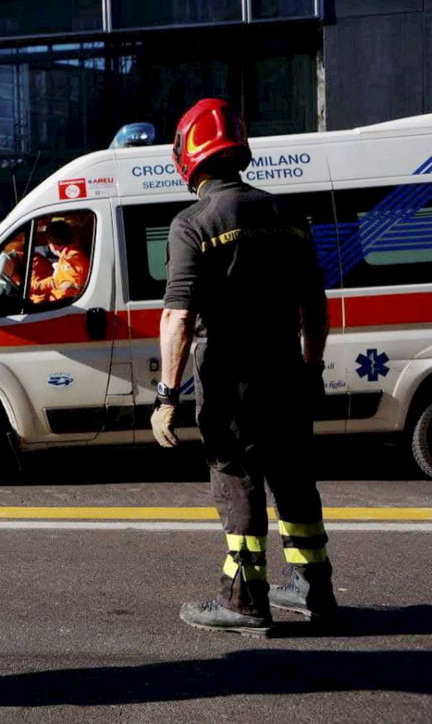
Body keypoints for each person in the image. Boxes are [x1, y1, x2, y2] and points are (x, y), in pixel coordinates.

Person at [150, 98, 337, 636]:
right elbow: (315, 306)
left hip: (232, 383)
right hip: (287, 373)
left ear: (188, 156)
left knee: (238, 481)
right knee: (294, 479)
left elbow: (178, 316)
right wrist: (311, 370)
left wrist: (166, 397)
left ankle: (245, 599)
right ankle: (314, 588)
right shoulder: (289, 217)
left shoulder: (194, 223)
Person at [30, 220, 90, 303]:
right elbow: (56, 281)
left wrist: (34, 288)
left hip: (59, 305)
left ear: (54, 246)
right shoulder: (69, 254)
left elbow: (65, 291)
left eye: (49, 243)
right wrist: (34, 287)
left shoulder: (71, 261)